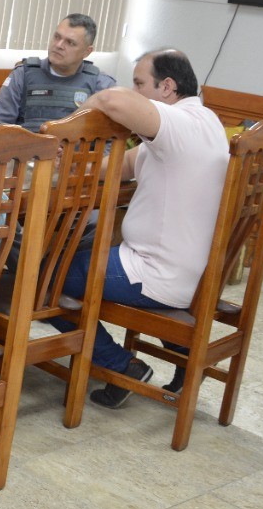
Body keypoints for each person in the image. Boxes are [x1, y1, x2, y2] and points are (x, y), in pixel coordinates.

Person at [47, 49, 229, 408]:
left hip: (153, 273)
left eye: (140, 84)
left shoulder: (178, 123)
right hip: (187, 270)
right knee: (76, 261)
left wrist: (66, 130)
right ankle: (183, 352)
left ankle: (122, 366)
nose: (135, 92)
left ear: (167, 87)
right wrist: (71, 162)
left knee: (47, 279)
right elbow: (124, 165)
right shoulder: (204, 121)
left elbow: (112, 101)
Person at [0, 13, 117, 131]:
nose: (59, 45)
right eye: (57, 37)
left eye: (70, 42)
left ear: (87, 52)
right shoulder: (22, 75)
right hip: (26, 147)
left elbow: (110, 139)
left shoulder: (102, 85)